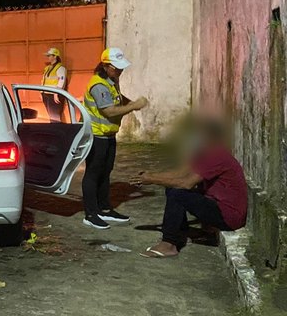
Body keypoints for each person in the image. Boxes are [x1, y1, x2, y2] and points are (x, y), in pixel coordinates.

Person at [130, 118, 247, 257]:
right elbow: (180, 173)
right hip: (217, 205)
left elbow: (187, 183)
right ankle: (180, 233)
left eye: (200, 135)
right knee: (171, 188)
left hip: (229, 216)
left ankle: (169, 244)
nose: (196, 139)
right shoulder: (205, 154)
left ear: (211, 137)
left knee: (178, 194)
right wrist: (151, 175)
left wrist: (152, 179)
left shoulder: (218, 155)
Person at [81, 48, 149, 230]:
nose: (120, 71)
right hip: (97, 135)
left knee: (106, 171)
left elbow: (117, 99)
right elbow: (109, 110)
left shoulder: (111, 80)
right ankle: (91, 213)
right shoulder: (98, 85)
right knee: (94, 172)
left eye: (121, 68)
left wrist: (130, 103)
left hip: (108, 134)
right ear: (106, 66)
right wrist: (134, 106)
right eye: (116, 68)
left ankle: (104, 208)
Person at [41, 47, 68, 122]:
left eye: (49, 55)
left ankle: (56, 129)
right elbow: (43, 80)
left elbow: (62, 81)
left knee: (55, 116)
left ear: (55, 56)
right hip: (46, 94)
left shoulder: (60, 68)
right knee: (51, 115)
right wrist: (41, 92)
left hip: (53, 95)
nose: (48, 57)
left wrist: (56, 93)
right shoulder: (47, 68)